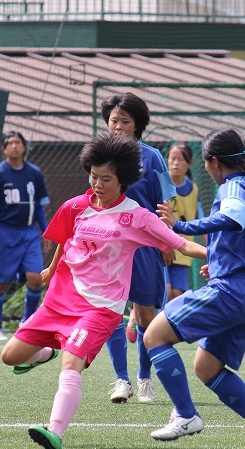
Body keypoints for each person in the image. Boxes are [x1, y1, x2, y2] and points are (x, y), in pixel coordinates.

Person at [0, 131, 206, 449]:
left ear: (122, 180)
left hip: (100, 309)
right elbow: (63, 241)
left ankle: (54, 431)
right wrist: (52, 271)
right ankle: (49, 350)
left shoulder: (137, 216)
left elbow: (182, 245)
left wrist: (221, 258)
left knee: (72, 366)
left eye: (106, 179)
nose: (97, 184)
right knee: (9, 357)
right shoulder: (74, 207)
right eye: (94, 176)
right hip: (58, 303)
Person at [147, 128, 245, 449]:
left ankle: (185, 415)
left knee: (153, 334)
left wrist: (179, 226)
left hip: (234, 290)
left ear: (212, 162)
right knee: (206, 366)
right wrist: (224, 261)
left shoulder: (233, 185)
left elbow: (233, 218)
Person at [100, 93, 176, 404]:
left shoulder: (153, 157)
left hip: (145, 245)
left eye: (125, 121)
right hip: (110, 246)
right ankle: (122, 380)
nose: (117, 126)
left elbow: (163, 204)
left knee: (145, 314)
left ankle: (145, 379)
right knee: (110, 313)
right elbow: (93, 200)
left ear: (137, 125)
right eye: (113, 120)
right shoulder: (101, 155)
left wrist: (167, 239)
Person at [0, 132, 51, 341]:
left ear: (23, 147)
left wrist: (45, 231)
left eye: (17, 142)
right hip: (4, 233)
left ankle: (26, 323)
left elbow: (38, 206)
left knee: (35, 279)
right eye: (9, 143)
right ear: (4, 149)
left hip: (29, 233)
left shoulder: (34, 173)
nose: (14, 146)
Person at [165, 142, 207, 301]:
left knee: (176, 295)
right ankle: (137, 322)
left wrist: (212, 246)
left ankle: (168, 325)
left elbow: (201, 221)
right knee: (165, 291)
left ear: (189, 163)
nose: (175, 163)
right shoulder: (161, 183)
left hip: (182, 250)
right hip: (160, 247)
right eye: (172, 158)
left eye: (180, 159)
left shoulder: (193, 189)